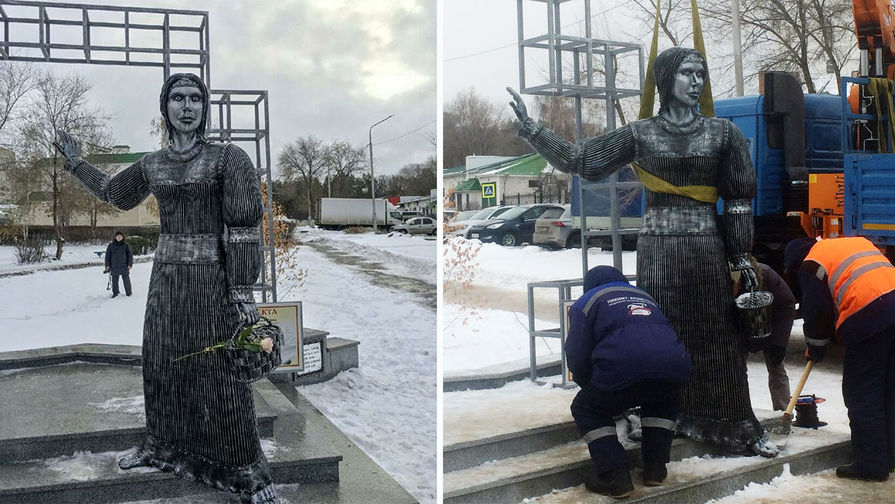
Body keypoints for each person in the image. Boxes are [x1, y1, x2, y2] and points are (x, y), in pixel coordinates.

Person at [508, 46, 776, 456]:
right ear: (667, 79)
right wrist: (534, 131)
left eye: (700, 74)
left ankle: (731, 421)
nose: (696, 82)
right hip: (657, 249)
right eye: (687, 73)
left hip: (707, 245)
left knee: (717, 334)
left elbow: (739, 199)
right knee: (660, 332)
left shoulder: (724, 134)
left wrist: (741, 255)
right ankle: (661, 420)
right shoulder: (641, 134)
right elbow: (583, 160)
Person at [54, 73, 276, 503]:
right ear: (165, 106)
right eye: (178, 98)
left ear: (204, 107)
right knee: (162, 362)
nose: (187, 106)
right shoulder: (153, 164)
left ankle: (244, 469)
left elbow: (245, 228)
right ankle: (163, 446)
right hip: (166, 280)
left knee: (220, 372)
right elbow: (116, 193)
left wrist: (243, 293)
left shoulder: (227, 159)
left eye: (195, 98)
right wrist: (76, 164)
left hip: (212, 281)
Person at [567, 266, 692, 498]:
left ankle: (614, 475)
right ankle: (655, 468)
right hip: (674, 364)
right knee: (662, 399)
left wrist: (592, 387)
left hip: (622, 366)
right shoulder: (644, 296)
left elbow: (576, 353)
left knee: (586, 408)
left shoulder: (586, 301)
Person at [784, 236, 895, 482]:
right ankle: (888, 456)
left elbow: (818, 312)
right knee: (888, 389)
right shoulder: (849, 244)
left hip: (869, 313)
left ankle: (871, 465)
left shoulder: (810, 264)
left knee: (863, 393)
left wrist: (815, 347)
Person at [733, 261, 795, 411]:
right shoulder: (718, 278)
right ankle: (739, 412)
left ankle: (783, 413)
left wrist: (779, 343)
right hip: (739, 330)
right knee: (736, 372)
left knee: (777, 370)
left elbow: (786, 304)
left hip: (770, 328)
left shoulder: (765, 274)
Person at [104, 231, 133, 298]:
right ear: (115, 237)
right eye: (118, 236)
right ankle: (115, 293)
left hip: (124, 266)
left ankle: (129, 293)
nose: (119, 237)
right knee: (114, 281)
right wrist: (107, 265)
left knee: (126, 280)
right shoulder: (111, 246)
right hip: (114, 266)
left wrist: (130, 264)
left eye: (120, 236)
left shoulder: (126, 245)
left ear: (122, 237)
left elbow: (130, 256)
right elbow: (107, 256)